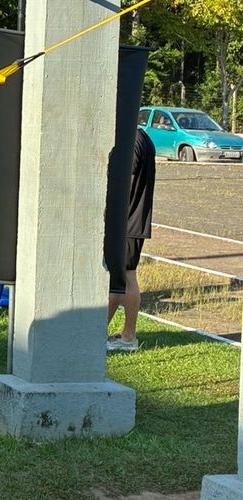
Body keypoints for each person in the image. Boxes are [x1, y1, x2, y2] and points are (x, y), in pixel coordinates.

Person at [107, 126, 156, 353]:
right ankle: (116, 334)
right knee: (122, 277)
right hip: (132, 220)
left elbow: (124, 179)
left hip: (127, 221)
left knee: (123, 278)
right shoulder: (143, 137)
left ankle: (127, 337)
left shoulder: (132, 140)